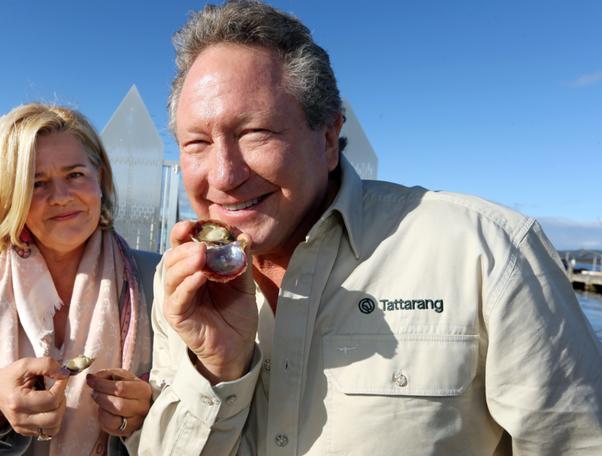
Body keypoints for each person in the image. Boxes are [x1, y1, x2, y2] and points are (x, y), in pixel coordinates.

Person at [131, 1, 602, 455]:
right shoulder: (181, 284)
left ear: (329, 138)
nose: (223, 175)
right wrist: (217, 370)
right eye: (196, 143)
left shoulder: (484, 251)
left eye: (256, 133)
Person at [0, 103, 160, 455]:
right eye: (36, 183)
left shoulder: (155, 279)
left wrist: (148, 409)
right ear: (10, 197)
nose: (61, 197)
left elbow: (196, 412)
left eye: (75, 175)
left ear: (99, 178)